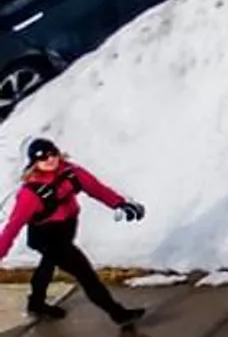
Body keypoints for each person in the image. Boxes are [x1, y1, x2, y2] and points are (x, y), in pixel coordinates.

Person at [7, 138, 142, 326]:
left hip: (65, 230)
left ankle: (36, 304)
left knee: (48, 264)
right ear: (34, 163)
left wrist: (120, 203)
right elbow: (12, 227)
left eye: (52, 153)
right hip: (48, 237)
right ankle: (118, 314)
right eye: (42, 157)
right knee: (85, 274)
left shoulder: (70, 173)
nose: (50, 159)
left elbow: (96, 189)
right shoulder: (30, 194)